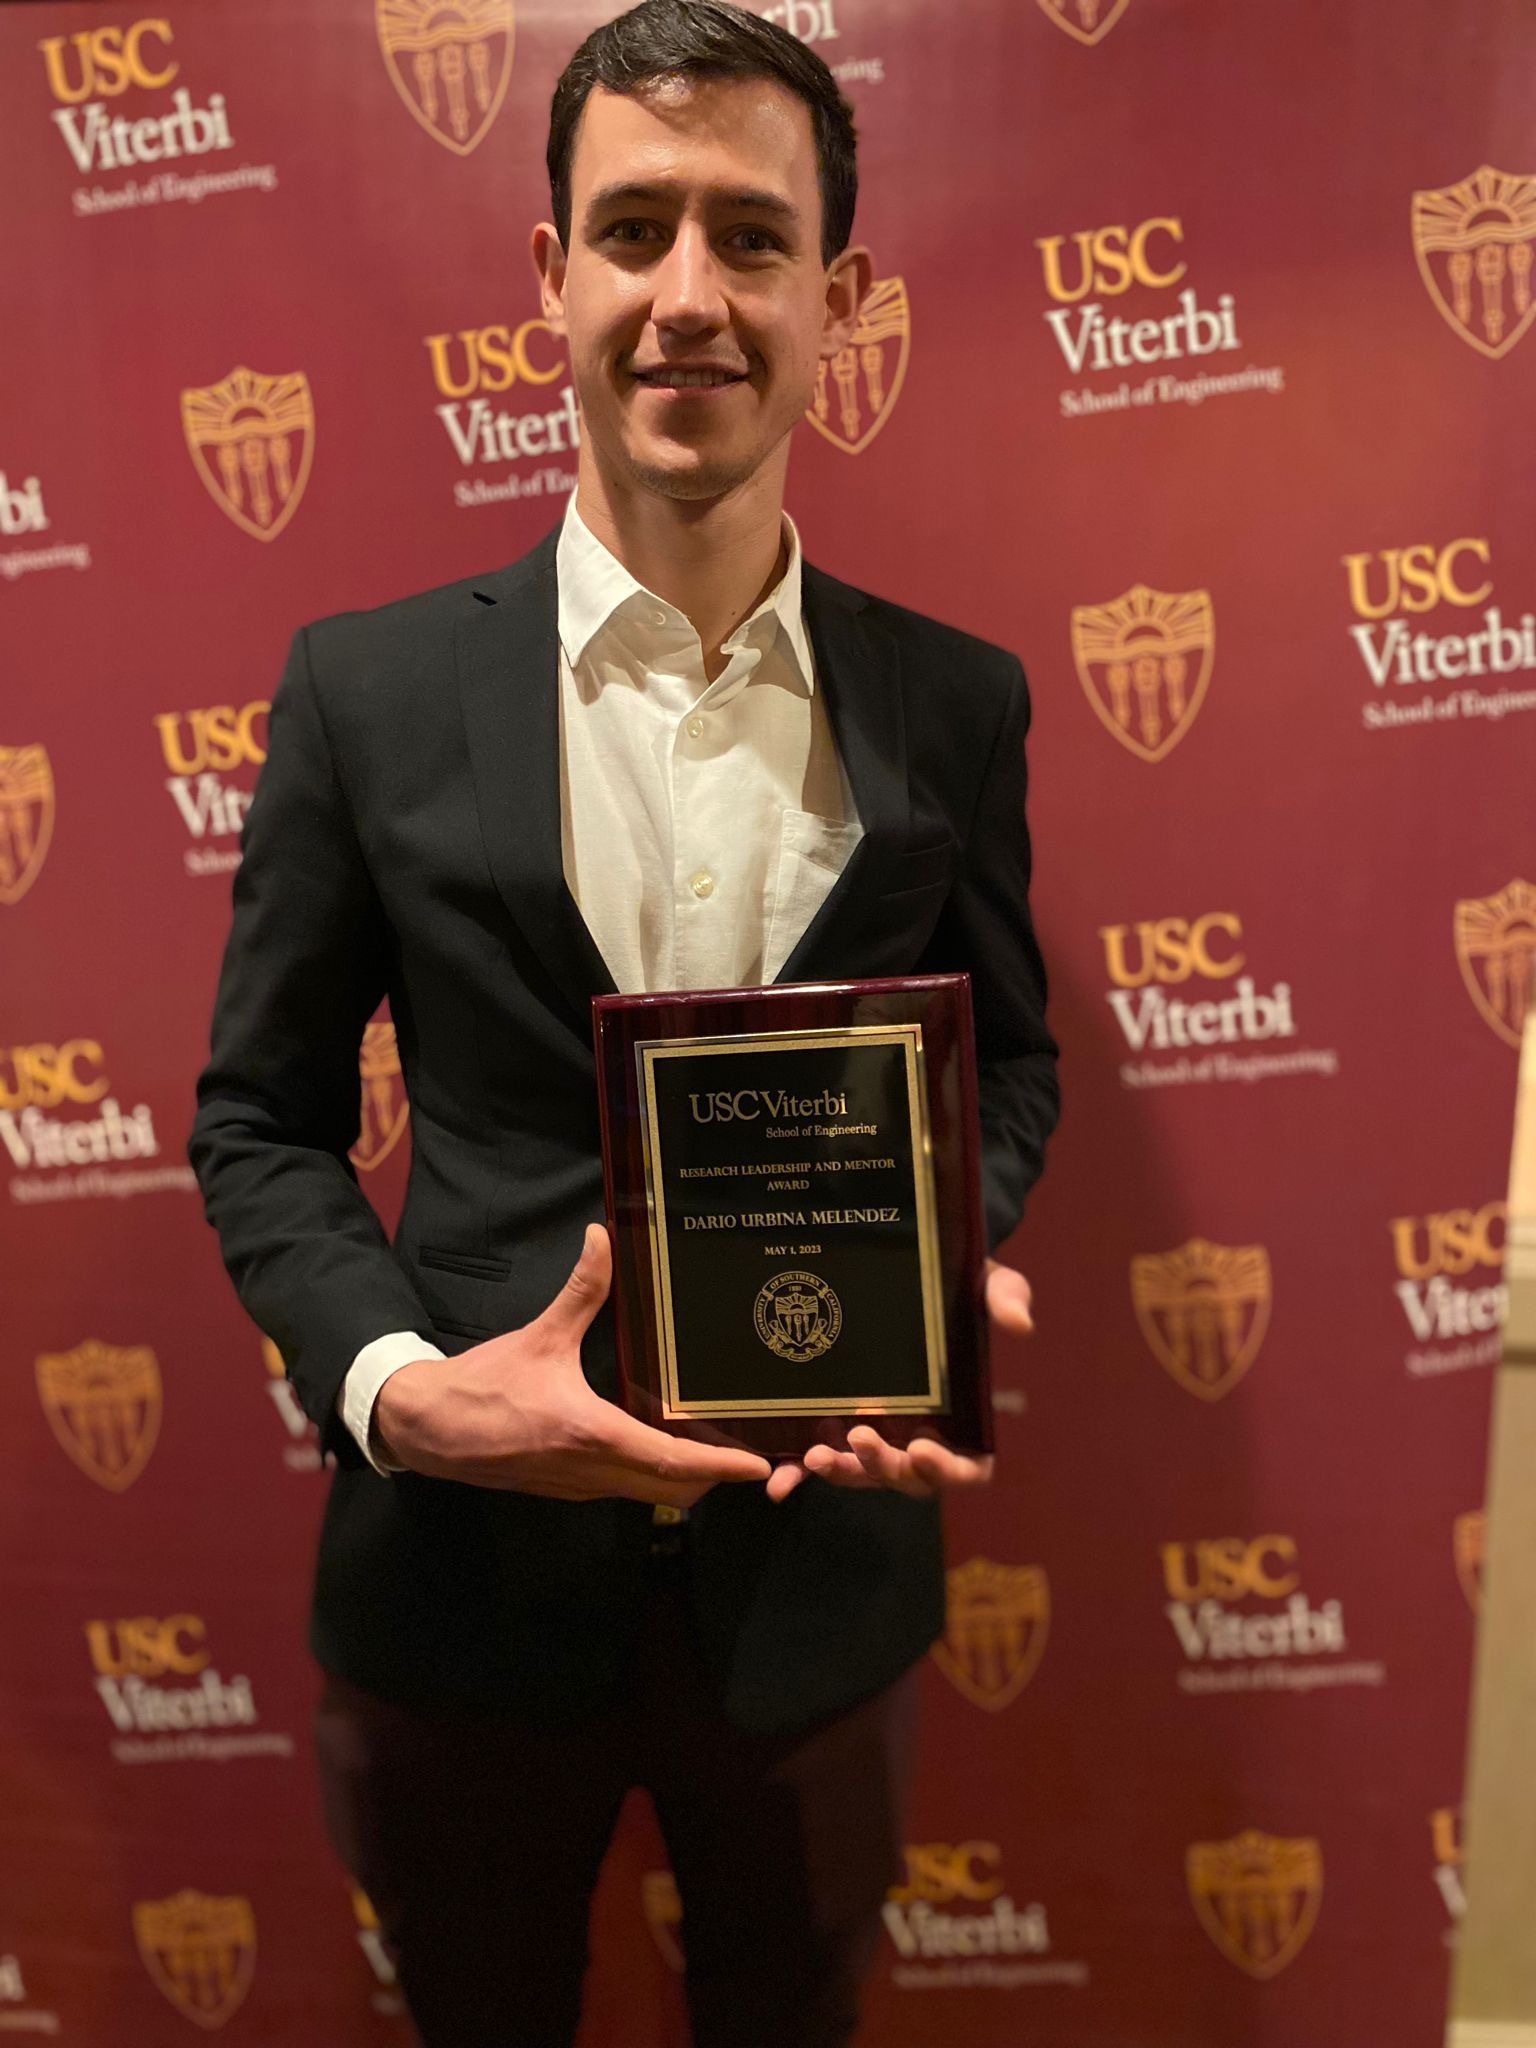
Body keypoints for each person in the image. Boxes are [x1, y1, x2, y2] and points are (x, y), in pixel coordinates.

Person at [189, 2, 1059, 2041]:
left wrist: (949, 1249)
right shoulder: (364, 695)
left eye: (751, 240)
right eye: (636, 228)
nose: (690, 297)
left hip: (822, 1593)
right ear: (549, 277)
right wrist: (408, 1390)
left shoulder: (963, 705)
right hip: (458, 1588)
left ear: (837, 297)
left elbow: (1008, 1056)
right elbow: (259, 1119)